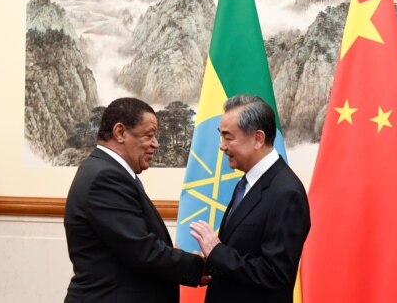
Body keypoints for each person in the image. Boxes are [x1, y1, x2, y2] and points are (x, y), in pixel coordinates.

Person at [64, 97, 206, 303]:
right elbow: (142, 250)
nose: (156, 144)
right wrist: (199, 267)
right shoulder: (104, 178)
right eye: (149, 135)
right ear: (120, 133)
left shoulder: (106, 171)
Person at [189, 94, 311, 303]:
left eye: (228, 137)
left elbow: (275, 273)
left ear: (258, 139)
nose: (221, 146)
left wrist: (217, 252)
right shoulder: (248, 182)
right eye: (221, 136)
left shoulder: (286, 193)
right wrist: (212, 259)